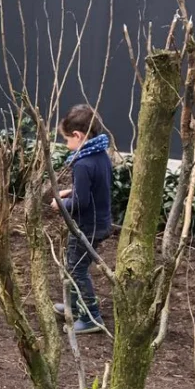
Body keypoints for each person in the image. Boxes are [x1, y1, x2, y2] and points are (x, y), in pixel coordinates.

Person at [50, 104, 113, 335]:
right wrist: (72, 191)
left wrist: (62, 204)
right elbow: (92, 189)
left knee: (77, 269)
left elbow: (81, 203)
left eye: (67, 140)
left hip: (87, 227)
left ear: (78, 136)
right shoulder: (99, 155)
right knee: (74, 265)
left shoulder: (82, 163)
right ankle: (74, 306)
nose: (67, 145)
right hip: (100, 221)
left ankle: (91, 318)